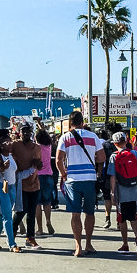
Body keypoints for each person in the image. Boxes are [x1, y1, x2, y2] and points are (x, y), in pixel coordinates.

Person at [56, 110, 106, 257]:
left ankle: (78, 246)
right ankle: (89, 243)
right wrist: (96, 170)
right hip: (89, 179)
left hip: (73, 180)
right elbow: (102, 157)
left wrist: (63, 174)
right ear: (82, 122)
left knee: (75, 214)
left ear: (71, 123)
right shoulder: (93, 136)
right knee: (89, 213)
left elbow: (58, 159)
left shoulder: (65, 137)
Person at [107, 131, 137, 256]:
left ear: (115, 143)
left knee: (121, 218)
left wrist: (112, 192)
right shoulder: (134, 153)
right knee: (133, 216)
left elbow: (113, 177)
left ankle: (125, 244)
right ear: (126, 141)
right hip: (135, 189)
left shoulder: (114, 156)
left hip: (122, 191)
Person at [10, 123, 42, 249]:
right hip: (20, 184)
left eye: (28, 132)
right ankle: (11, 232)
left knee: (32, 213)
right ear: (19, 133)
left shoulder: (36, 147)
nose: (26, 134)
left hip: (34, 183)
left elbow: (39, 163)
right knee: (21, 210)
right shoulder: (15, 145)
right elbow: (2, 150)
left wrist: (39, 165)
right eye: (23, 132)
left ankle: (30, 238)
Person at [0, 131, 21, 252]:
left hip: (12, 187)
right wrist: (1, 170)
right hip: (2, 188)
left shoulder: (12, 156)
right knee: (8, 217)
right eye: (7, 142)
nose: (10, 143)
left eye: (10, 141)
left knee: (3, 216)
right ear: (1, 145)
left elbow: (15, 171)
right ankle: (12, 244)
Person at [34, 127, 56, 236]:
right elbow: (44, 133)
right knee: (47, 202)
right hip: (48, 175)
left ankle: (40, 228)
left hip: (37, 176)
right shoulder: (49, 147)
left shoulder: (36, 147)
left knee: (37, 203)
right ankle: (48, 221)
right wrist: (39, 124)